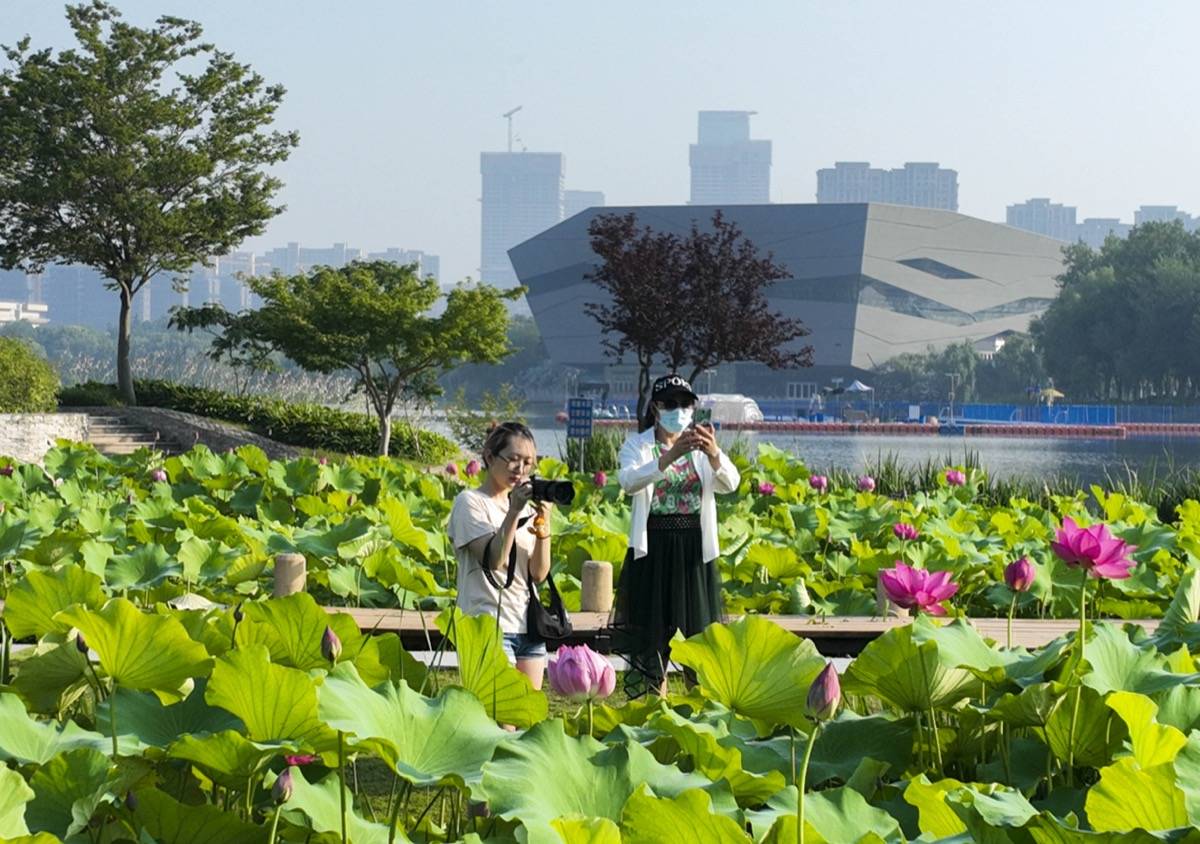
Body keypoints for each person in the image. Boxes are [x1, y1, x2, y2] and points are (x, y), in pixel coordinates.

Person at [612, 373, 741, 697]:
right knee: (653, 640)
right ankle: (654, 712)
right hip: (653, 549)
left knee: (699, 641)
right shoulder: (638, 446)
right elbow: (628, 482)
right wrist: (670, 456)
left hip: (693, 552)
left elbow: (731, 484)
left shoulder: (701, 447)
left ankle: (701, 711)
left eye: (685, 404)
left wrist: (713, 454)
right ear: (656, 407)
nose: (679, 410)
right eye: (671, 403)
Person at [447, 421, 552, 689]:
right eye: (513, 459)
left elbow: (538, 573)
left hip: (527, 624)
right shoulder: (470, 503)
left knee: (528, 723)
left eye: (528, 462)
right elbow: (495, 561)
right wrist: (514, 510)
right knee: (502, 722)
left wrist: (545, 523)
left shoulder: (527, 507)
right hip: (487, 624)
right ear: (490, 457)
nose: (521, 469)